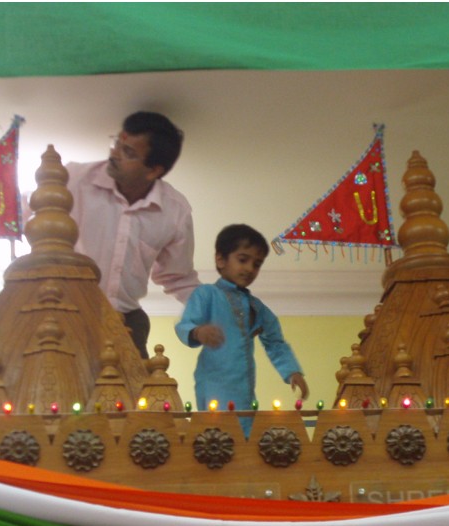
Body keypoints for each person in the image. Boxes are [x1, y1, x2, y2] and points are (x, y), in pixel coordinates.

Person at [66, 111, 200, 357]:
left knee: (136, 394)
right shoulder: (73, 179)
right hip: (65, 313)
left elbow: (178, 277)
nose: (114, 153)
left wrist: (213, 314)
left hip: (127, 322)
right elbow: (19, 213)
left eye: (128, 152)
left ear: (153, 171)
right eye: (117, 143)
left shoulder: (175, 212)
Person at [176, 224, 308, 427]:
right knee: (216, 432)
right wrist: (198, 332)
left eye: (257, 264)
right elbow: (185, 324)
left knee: (245, 435)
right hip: (213, 381)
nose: (249, 269)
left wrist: (292, 371)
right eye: (243, 259)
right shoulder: (206, 294)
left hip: (244, 388)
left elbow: (275, 342)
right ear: (220, 260)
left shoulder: (257, 307)